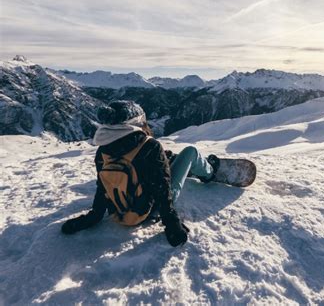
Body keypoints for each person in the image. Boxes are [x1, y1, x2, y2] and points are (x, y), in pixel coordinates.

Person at [61, 100, 220, 247]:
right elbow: (162, 187)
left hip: (120, 211)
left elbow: (103, 187)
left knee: (163, 161)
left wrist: (92, 218)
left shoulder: (102, 151)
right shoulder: (150, 146)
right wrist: (172, 224)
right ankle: (210, 173)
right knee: (190, 152)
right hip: (152, 209)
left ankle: (171, 161)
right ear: (136, 122)